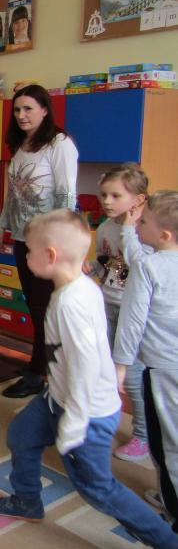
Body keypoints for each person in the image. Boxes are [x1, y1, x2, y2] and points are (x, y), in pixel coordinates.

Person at [0, 210, 178, 549]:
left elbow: (86, 369)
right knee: (21, 436)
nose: (25, 256)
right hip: (58, 397)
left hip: (86, 413)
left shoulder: (71, 303)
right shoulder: (76, 288)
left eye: (29, 250)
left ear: (50, 255)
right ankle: (27, 500)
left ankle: (166, 540)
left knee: (99, 490)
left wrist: (73, 424)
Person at [0, 84, 78, 398]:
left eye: (28, 108)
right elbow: (13, 192)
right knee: (34, 303)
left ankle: (38, 372)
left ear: (44, 110)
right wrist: (2, 225)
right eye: (17, 109)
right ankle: (40, 362)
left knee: (44, 308)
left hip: (47, 241)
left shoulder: (59, 143)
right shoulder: (21, 144)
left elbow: (66, 194)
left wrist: (60, 236)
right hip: (22, 236)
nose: (21, 115)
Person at [115, 190, 178, 530]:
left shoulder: (148, 266)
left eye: (144, 222)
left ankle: (174, 512)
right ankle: (170, 496)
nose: (137, 225)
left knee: (166, 440)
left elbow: (132, 322)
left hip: (162, 369)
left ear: (164, 235)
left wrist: (121, 366)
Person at [86, 164, 151, 462]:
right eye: (104, 195)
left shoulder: (145, 231)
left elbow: (140, 267)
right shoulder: (105, 227)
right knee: (106, 367)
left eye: (115, 196)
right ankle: (106, 418)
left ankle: (144, 435)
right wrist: (92, 268)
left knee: (133, 375)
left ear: (138, 200)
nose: (107, 202)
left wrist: (128, 229)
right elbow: (107, 261)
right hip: (108, 303)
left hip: (132, 312)